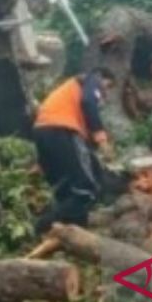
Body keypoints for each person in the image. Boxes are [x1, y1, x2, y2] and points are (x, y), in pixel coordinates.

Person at [32, 70, 112, 235]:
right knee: (86, 190)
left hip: (44, 131)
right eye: (108, 87)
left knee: (66, 190)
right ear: (104, 78)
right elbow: (89, 103)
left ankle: (72, 233)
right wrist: (102, 139)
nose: (105, 93)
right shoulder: (93, 78)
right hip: (62, 131)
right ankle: (42, 226)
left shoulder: (69, 93)